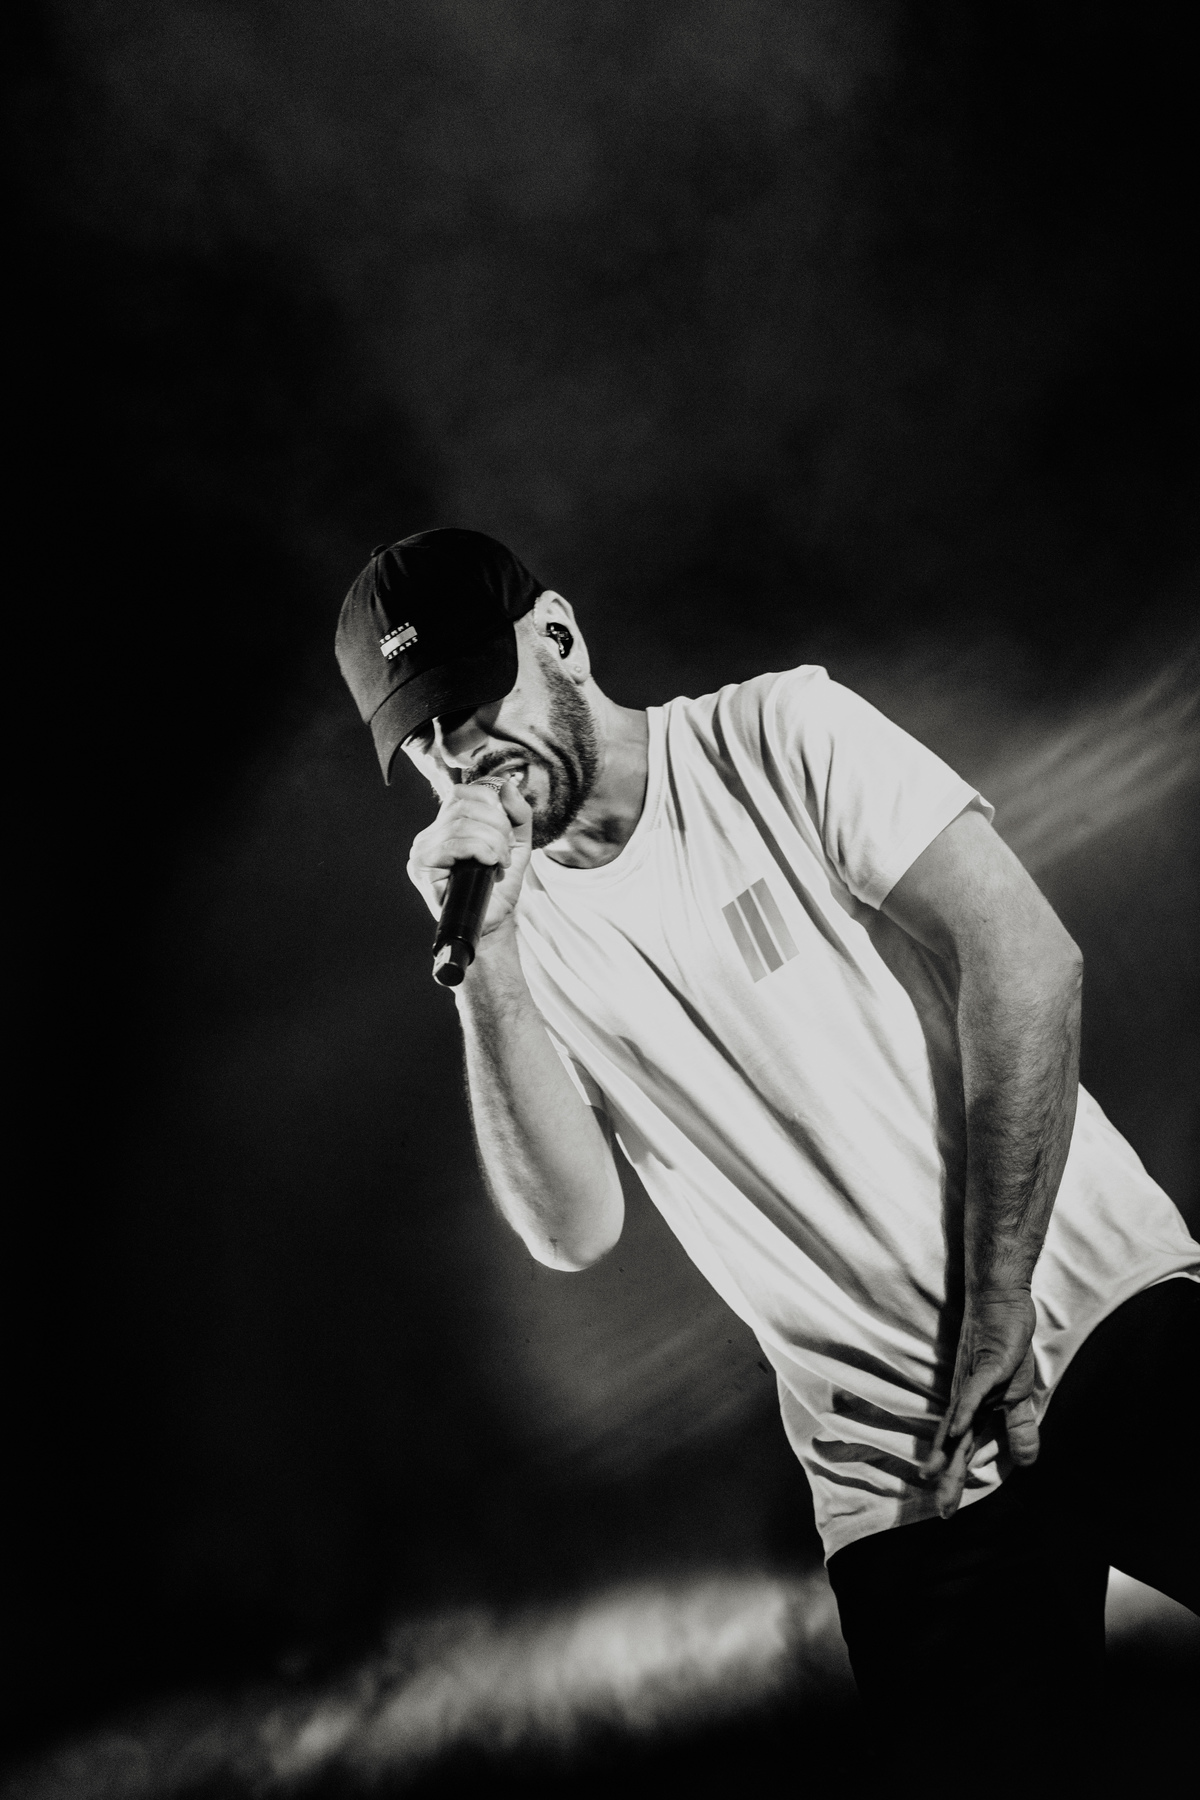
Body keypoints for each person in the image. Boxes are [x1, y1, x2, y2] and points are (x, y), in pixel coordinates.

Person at [336, 527, 1198, 1762]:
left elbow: (1024, 958)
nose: (464, 749)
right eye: (424, 735)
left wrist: (1002, 1295)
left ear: (560, 636)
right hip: (897, 1473)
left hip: (1093, 1311)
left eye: (476, 697)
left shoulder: (777, 734)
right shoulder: (510, 939)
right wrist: (491, 965)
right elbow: (571, 1231)